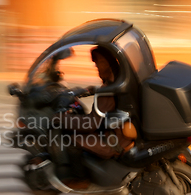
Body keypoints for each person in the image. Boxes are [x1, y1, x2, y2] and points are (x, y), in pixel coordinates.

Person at [55, 46, 134, 180]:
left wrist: (62, 119)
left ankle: (80, 180)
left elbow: (90, 124)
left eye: (98, 64)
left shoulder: (109, 90)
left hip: (112, 141)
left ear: (108, 63)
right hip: (114, 132)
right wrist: (90, 90)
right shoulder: (117, 80)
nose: (97, 67)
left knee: (70, 138)